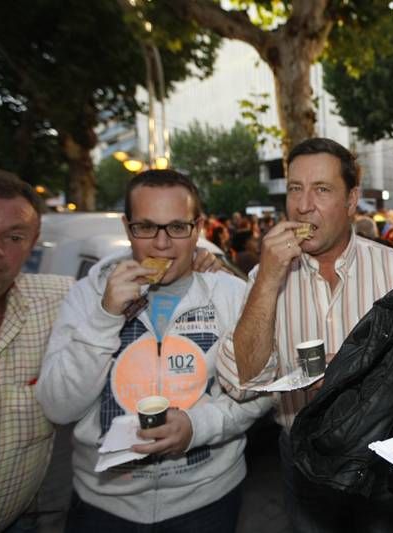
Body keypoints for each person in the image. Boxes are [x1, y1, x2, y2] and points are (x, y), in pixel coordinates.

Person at [36, 169, 270, 532]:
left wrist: (197, 426)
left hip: (208, 499)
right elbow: (58, 407)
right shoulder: (86, 296)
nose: (162, 244)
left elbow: (261, 391)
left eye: (177, 227)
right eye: (146, 227)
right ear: (128, 228)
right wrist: (104, 316)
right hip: (104, 505)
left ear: (198, 228)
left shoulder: (232, 297)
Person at [215, 138, 393, 532]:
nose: (303, 205)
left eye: (321, 190)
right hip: (302, 456)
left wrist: (358, 376)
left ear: (351, 199)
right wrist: (269, 279)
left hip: (381, 453)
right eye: (295, 189)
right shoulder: (263, 278)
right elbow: (241, 382)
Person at [0, 170, 73, 533]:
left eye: (14, 236)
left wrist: (198, 264)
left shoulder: (58, 300)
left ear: (33, 243)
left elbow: (128, 290)